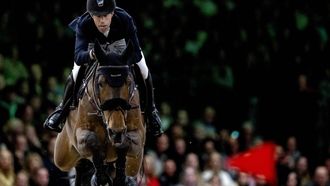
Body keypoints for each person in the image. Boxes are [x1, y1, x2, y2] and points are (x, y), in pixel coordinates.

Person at [43, 0, 163, 137]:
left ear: (112, 13)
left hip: (121, 51)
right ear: (91, 15)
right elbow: (78, 56)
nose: (102, 21)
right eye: (98, 16)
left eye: (106, 15)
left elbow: (135, 51)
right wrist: (92, 54)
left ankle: (151, 111)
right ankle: (61, 110)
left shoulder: (124, 18)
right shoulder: (84, 23)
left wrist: (121, 61)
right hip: (95, 51)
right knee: (75, 73)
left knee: (143, 69)